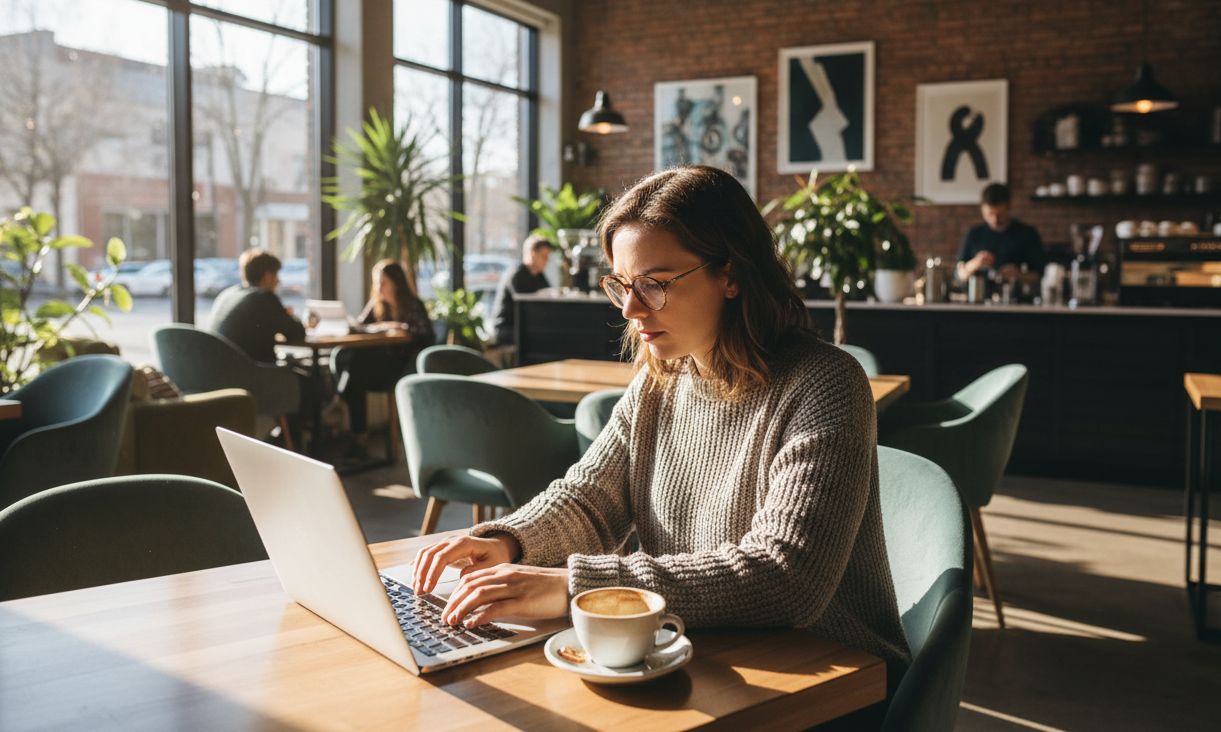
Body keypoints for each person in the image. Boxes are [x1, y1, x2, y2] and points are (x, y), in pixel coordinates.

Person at [410, 165, 911, 703]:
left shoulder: (826, 383)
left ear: (732, 274)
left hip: (830, 677)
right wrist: (510, 540)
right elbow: (590, 501)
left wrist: (573, 588)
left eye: (653, 284)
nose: (630, 309)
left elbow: (786, 578)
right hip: (699, 652)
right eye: (622, 285)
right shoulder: (660, 380)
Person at [328, 259, 434, 450]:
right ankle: (358, 438)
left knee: (357, 366)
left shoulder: (413, 305)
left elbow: (426, 335)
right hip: (375, 366)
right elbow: (358, 327)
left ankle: (342, 407)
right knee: (351, 365)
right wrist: (381, 327)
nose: (378, 287)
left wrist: (402, 329)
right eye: (376, 282)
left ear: (397, 283)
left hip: (401, 366)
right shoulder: (377, 305)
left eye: (383, 282)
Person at [207, 248, 305, 364]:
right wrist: (289, 315)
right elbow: (298, 334)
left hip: (217, 374)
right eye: (276, 275)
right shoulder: (264, 298)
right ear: (268, 276)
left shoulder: (227, 294)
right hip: (251, 374)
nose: (278, 281)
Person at [955, 183, 1045, 285]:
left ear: (1009, 206)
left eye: (999, 215)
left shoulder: (1027, 234)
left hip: (1015, 298)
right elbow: (959, 275)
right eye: (989, 215)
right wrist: (975, 263)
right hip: (978, 297)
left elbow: (1040, 275)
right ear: (982, 209)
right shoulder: (973, 234)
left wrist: (1018, 275)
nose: (995, 220)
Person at [489, 234, 555, 345]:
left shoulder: (539, 276)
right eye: (544, 256)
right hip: (505, 329)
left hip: (521, 327)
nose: (547, 261)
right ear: (533, 253)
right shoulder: (516, 275)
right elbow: (526, 308)